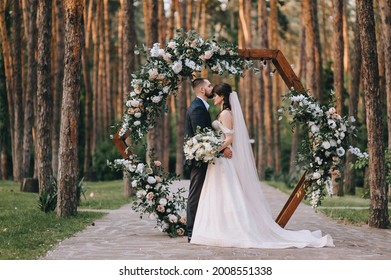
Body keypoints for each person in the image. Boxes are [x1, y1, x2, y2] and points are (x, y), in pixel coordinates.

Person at [190, 83, 334, 248]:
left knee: (228, 194)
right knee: (220, 194)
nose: (213, 97)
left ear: (222, 96)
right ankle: (218, 227)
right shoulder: (225, 112)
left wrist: (213, 149)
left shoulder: (225, 113)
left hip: (224, 158)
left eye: (215, 95)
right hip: (221, 157)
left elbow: (229, 139)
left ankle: (229, 229)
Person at [184, 78, 232, 243]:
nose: (212, 88)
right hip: (200, 159)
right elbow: (203, 138)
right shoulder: (197, 109)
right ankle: (191, 231)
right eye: (209, 85)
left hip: (207, 157)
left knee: (205, 194)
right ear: (202, 90)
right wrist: (223, 147)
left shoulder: (202, 107)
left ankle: (203, 227)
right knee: (196, 194)